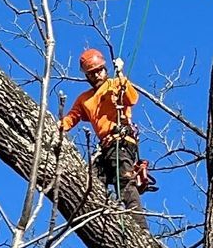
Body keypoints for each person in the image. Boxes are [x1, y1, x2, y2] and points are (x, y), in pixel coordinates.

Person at [59, 48, 150, 199]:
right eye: (91, 73)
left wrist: (121, 74)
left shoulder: (115, 84)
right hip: (105, 147)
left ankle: (138, 223)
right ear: (87, 76)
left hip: (121, 142)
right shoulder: (84, 99)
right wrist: (59, 127)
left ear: (104, 68)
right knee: (90, 184)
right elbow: (72, 117)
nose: (96, 75)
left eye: (99, 70)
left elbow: (132, 99)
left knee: (125, 184)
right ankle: (100, 214)